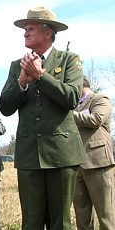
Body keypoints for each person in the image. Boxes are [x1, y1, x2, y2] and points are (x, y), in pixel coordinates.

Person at [0, 6, 85, 230]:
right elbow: (5, 107)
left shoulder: (69, 60)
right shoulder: (17, 66)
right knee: (31, 222)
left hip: (62, 154)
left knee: (60, 222)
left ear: (48, 33)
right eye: (25, 29)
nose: (25, 33)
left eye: (30, 28)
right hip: (29, 155)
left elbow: (72, 98)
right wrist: (22, 83)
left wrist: (41, 75)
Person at [73, 77, 115, 230]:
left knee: (106, 215)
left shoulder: (100, 99)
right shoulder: (72, 105)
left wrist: (70, 114)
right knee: (82, 218)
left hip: (99, 163)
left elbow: (96, 119)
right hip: (77, 166)